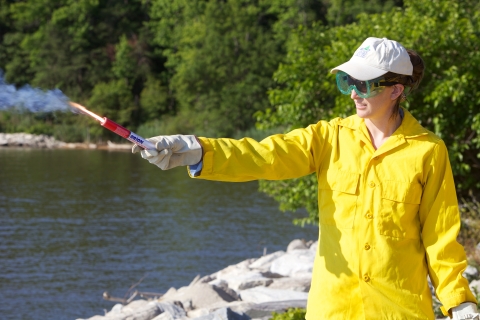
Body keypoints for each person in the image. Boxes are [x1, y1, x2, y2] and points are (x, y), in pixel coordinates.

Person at [133, 37, 479, 319]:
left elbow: (440, 239)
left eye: (364, 83)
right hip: (332, 310)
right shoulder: (329, 137)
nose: (354, 92)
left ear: (395, 89)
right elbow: (266, 156)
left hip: (399, 311)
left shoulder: (428, 151)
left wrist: (458, 302)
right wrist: (196, 150)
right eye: (348, 81)